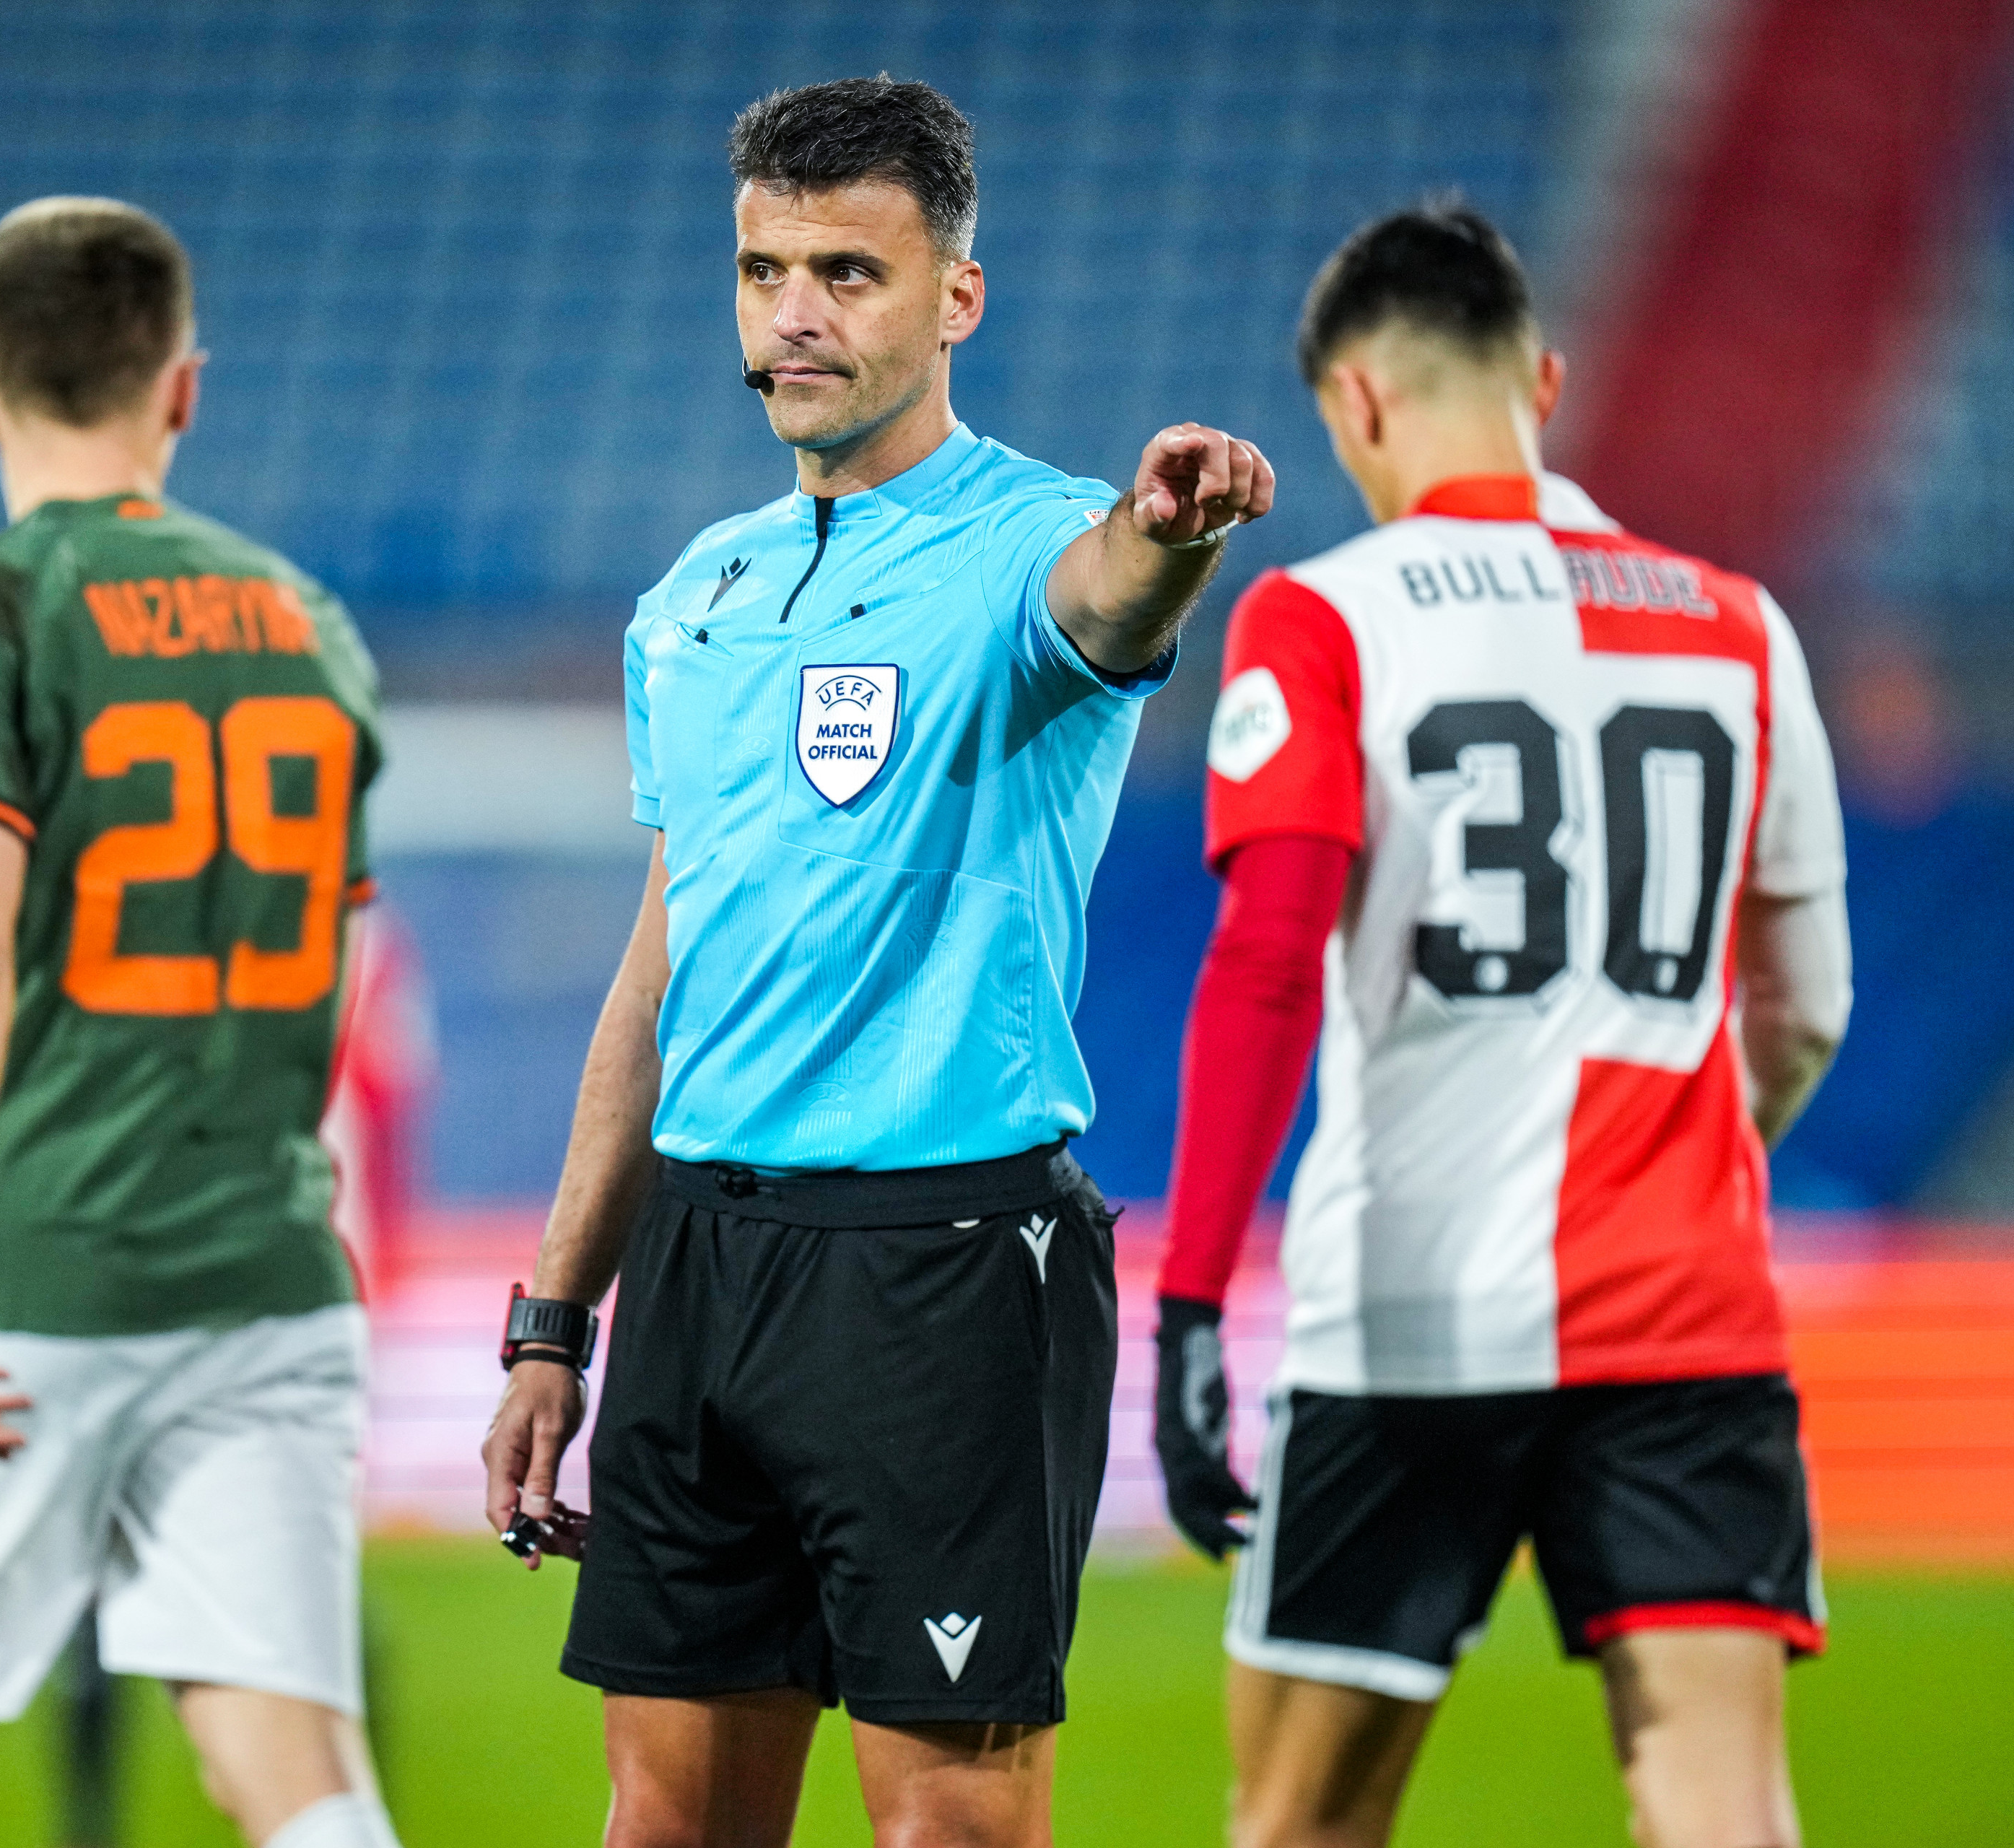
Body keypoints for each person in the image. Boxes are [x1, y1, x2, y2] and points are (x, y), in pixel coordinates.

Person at [478, 75, 1271, 1848]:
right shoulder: (694, 598)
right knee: (666, 1823)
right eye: (766, 271)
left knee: (951, 1830)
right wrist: (554, 1316)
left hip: (941, 1266)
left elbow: (1110, 599)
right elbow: (659, 975)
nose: (797, 314)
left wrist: (1175, 530)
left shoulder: (1023, 541)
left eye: (849, 269)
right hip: (699, 1255)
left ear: (955, 299)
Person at [1151, 203, 1852, 1848]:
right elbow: (1805, 1005)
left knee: (1306, 1817)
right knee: (1723, 1809)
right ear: (1543, 381)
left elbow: (1264, 957)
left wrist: (1188, 1300)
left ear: (1355, 405)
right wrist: (1682, 1161)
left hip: (1410, 1322)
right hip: (1688, 1319)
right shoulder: (1742, 625)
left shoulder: (1323, 617)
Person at [0, 197, 399, 1848]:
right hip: (264, 1274)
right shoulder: (310, 625)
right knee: (291, 1766)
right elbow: (337, 972)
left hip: (21, 1281)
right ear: (180, 389)